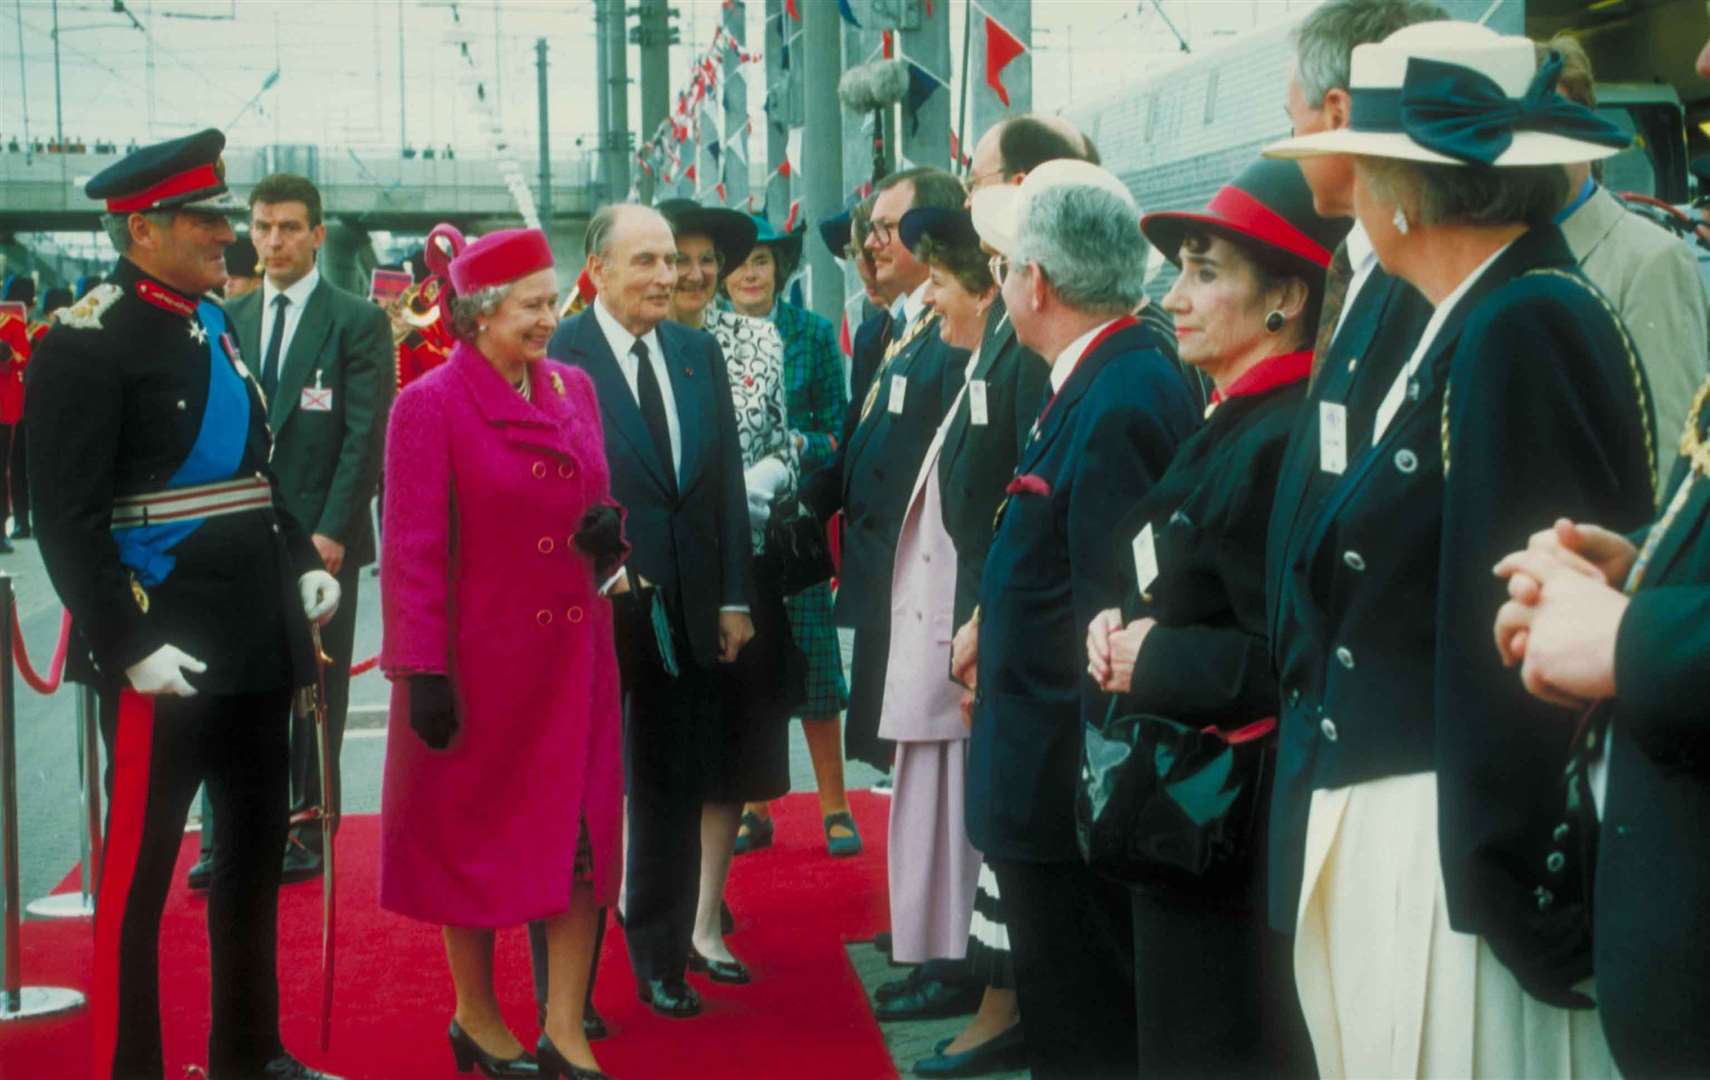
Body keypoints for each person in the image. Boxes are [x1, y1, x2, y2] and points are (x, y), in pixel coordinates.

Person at [1264, 21, 1658, 1075]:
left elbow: (1524, 647)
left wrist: (1510, 889)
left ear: (1406, 191)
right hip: (1405, 831)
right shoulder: (1468, 315)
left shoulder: (1521, 325)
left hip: (1450, 863)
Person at [28, 127, 341, 1080]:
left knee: (248, 863)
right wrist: (127, 645)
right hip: (162, 646)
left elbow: (255, 474)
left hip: (253, 636)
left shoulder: (215, 323)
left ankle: (250, 1054)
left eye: (220, 215)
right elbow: (66, 519)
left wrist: (296, 558)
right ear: (144, 228)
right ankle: (134, 1066)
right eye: (206, 219)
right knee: (137, 881)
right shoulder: (84, 342)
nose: (225, 235)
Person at [1083, 156, 1343, 1077]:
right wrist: (1118, 627)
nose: (1174, 295)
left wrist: (1148, 661)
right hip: (1198, 825)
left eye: (1204, 271)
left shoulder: (1283, 437)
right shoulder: (1236, 417)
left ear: (1285, 298)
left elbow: (1290, 657)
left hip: (1229, 838)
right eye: (1178, 269)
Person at [958, 160, 1199, 1080]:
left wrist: (1095, 803)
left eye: (1006, 265)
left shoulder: (1121, 396)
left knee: (1087, 1032)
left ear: (1038, 282)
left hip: (1069, 796)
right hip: (1048, 778)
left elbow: (1119, 614)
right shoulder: (1103, 378)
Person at [380, 225, 624, 1080]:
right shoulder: (430, 405)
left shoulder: (576, 388)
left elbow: (598, 502)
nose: (549, 319)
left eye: (552, 302)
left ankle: (565, 1029)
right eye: (531, 306)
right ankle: (477, 1020)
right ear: (480, 315)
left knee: (583, 845)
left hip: (574, 664)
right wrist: (422, 671)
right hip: (479, 669)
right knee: (474, 844)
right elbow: (411, 548)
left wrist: (610, 535)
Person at [547, 204, 755, 1022]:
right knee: (579, 797)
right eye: (647, 263)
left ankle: (662, 959)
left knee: (670, 785)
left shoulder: (699, 353)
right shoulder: (560, 355)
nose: (669, 278)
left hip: (688, 611)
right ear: (598, 270)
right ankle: (570, 987)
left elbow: (727, 483)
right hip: (592, 611)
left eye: (671, 261)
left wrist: (733, 595)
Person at [191, 174, 393, 891]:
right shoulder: (224, 320)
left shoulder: (356, 322)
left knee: (317, 690)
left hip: (321, 541)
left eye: (287, 227)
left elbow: (364, 437)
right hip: (237, 543)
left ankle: (307, 826)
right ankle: (226, 836)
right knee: (231, 690)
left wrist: (334, 531)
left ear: (316, 235)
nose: (272, 240)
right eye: (262, 226)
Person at [868, 204, 1028, 1076]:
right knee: (936, 806)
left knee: (960, 817)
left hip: (965, 627)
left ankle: (958, 964)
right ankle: (941, 954)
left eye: (939, 283)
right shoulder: (975, 358)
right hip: (945, 627)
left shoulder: (1001, 363)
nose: (930, 300)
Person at [658, 197, 801, 982]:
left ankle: (707, 919)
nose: (696, 271)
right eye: (678, 256)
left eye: (708, 258)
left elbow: (782, 441)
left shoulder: (757, 337)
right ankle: (646, 899)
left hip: (739, 576)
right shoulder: (622, 344)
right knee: (653, 754)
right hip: (651, 581)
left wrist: (747, 487)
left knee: (724, 758)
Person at [804, 167, 970, 779]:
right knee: (891, 746)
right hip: (881, 573)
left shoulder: (956, 335)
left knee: (923, 752)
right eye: (870, 230)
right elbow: (859, 437)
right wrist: (804, 501)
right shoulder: (883, 331)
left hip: (924, 577)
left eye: (886, 229)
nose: (869, 243)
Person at [723, 213, 859, 858]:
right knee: (747, 668)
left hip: (794, 524)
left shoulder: (811, 334)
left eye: (761, 261)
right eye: (739, 263)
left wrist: (794, 447)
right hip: (728, 528)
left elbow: (838, 429)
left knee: (815, 668)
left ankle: (835, 805)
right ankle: (755, 807)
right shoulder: (699, 339)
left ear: (780, 267)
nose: (749, 274)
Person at [1545, 34, 1708, 459]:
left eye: (1556, 123)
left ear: (1587, 130)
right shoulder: (1505, 247)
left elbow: (1674, 447)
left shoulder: (1649, 259)